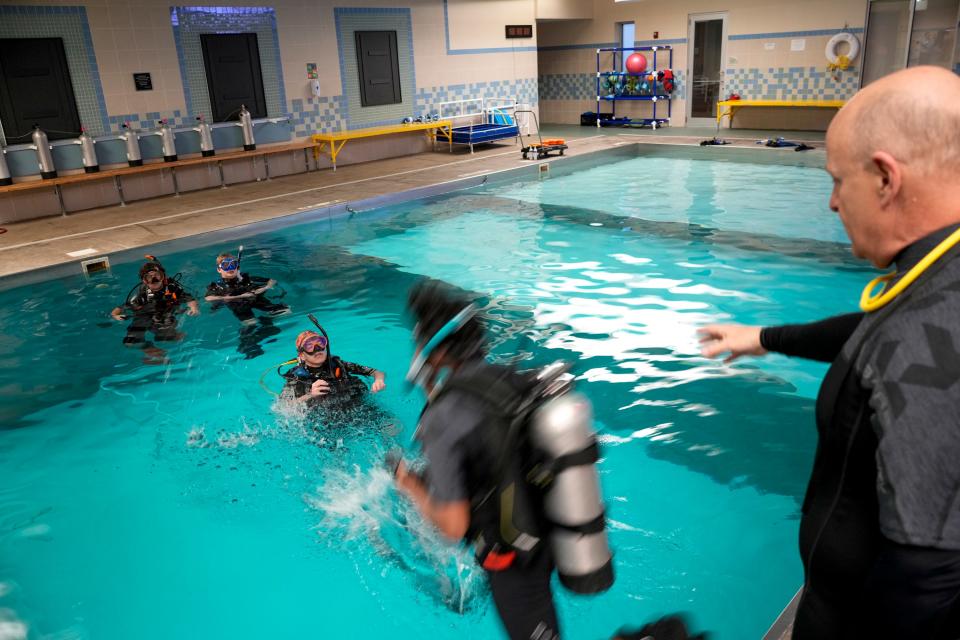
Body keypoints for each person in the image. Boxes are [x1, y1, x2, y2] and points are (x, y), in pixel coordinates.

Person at [698, 66, 960, 639]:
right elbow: (884, 330)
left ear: (887, 179)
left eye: (839, 181)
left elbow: (930, 576)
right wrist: (766, 338)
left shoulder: (937, 331)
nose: (832, 204)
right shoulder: (937, 287)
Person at [390, 279, 562, 640]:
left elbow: (453, 527)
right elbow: (483, 423)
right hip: (553, 524)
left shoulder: (442, 417)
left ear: (432, 351)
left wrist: (409, 486)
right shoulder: (510, 376)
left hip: (514, 561)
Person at [204, 250, 288, 359]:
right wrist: (238, 297)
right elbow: (208, 298)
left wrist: (265, 288)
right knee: (251, 323)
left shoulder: (246, 279)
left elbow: (272, 280)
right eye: (225, 265)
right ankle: (248, 345)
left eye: (233, 264)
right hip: (238, 304)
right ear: (219, 269)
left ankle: (266, 323)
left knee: (285, 311)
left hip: (255, 299)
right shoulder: (217, 285)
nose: (230, 268)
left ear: (237, 266)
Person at [279, 327, 386, 411]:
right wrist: (310, 395)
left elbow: (376, 372)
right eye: (309, 346)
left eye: (320, 343)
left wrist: (379, 380)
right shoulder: (296, 377)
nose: (317, 349)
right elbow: (283, 406)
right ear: (302, 355)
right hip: (328, 418)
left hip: (357, 405)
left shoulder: (339, 364)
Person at [111, 256, 199, 357]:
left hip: (164, 314)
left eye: (157, 276)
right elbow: (119, 309)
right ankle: (149, 348)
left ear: (163, 277)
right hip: (143, 316)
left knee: (169, 338)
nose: (154, 280)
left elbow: (189, 298)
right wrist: (115, 316)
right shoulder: (142, 294)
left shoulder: (172, 288)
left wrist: (194, 307)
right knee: (130, 342)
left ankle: (170, 339)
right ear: (144, 281)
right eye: (149, 277)